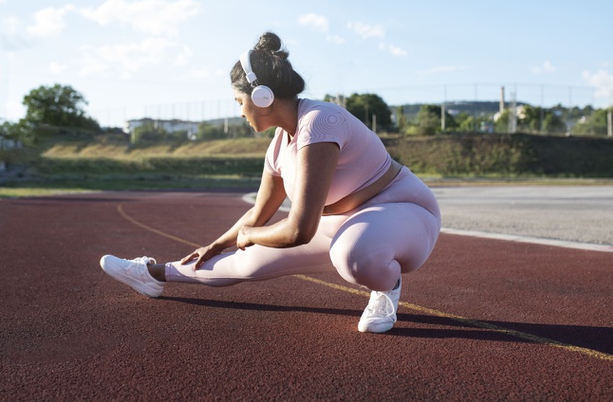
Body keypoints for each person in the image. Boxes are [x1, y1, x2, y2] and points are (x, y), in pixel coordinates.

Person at [100, 32, 441, 333]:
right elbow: (257, 216)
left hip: (401, 209)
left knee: (355, 255)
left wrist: (248, 237)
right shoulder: (278, 146)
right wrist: (217, 245)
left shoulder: (321, 121)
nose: (240, 111)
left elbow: (298, 231)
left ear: (261, 96)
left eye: (239, 101)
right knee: (245, 263)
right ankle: (152, 274)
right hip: (338, 223)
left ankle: (386, 285)